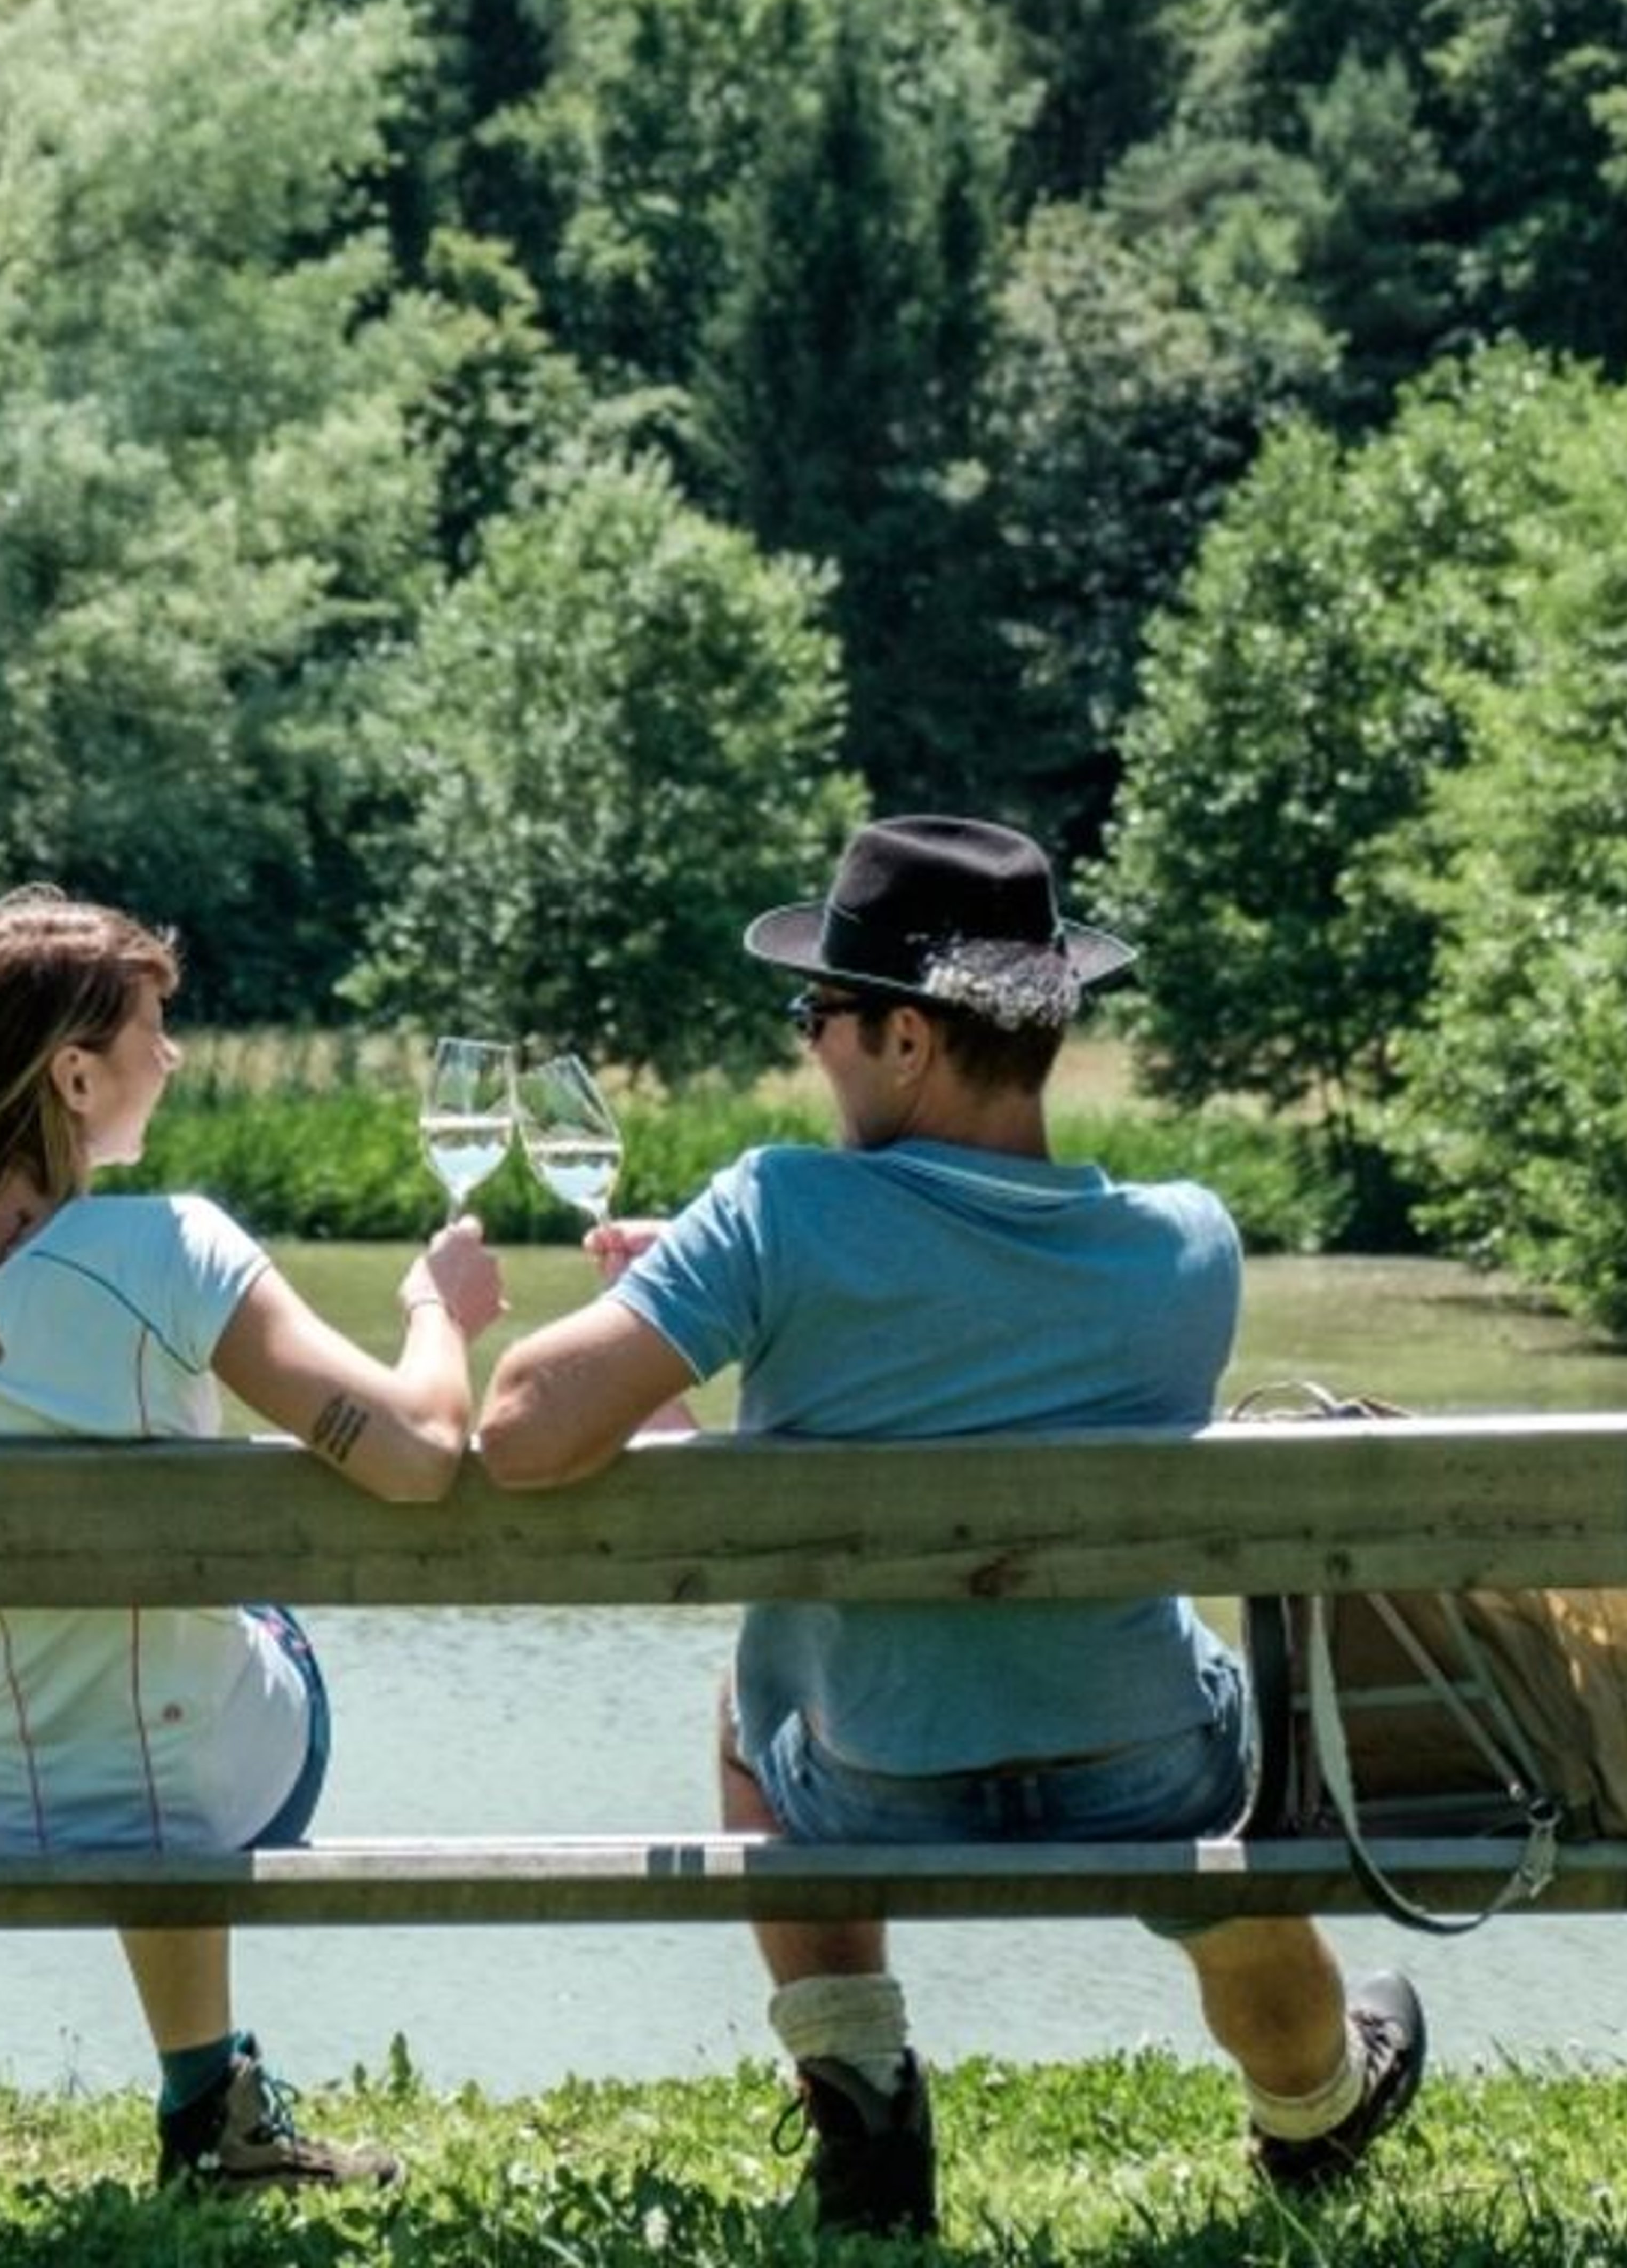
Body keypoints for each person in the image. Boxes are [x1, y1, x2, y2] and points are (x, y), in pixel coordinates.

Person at [476, 815, 1425, 2236]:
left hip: (874, 1782)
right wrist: (736, 1277)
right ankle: (1316, 2107)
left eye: (820, 1014)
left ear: (908, 1039)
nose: (811, 1045)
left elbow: (522, 1432)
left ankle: (862, 2102)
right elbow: (970, 1321)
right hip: (1149, 1775)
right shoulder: (1190, 1244)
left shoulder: (775, 1214)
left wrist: (712, 1281)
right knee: (1222, 1783)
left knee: (748, 1704)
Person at [0, 887, 504, 2199]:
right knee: (246, 1637)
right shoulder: (173, 1255)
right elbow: (421, 1453)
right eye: (155, 1029)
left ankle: (215, 2104)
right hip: (208, 1783)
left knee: (103, 1677)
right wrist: (441, 1308)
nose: (176, 1055)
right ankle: (212, 2104)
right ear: (76, 1076)